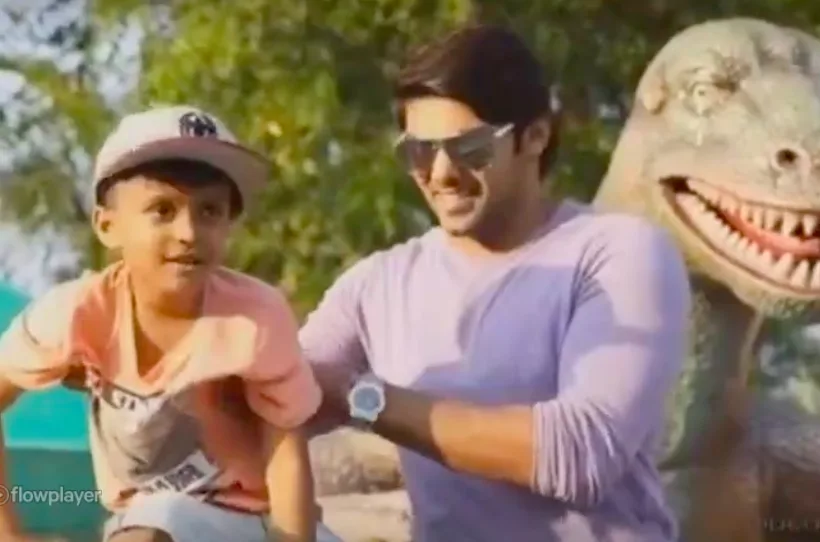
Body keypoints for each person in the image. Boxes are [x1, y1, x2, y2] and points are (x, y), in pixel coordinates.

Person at [301, 24, 690, 542]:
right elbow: (284, 390)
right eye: (418, 152)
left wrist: (363, 398)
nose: (441, 173)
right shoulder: (378, 284)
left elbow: (580, 455)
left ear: (536, 136)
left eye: (471, 147)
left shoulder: (620, 253)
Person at [0, 106, 340, 542]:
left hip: (257, 520)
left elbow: (287, 452)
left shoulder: (255, 316)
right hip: (154, 519)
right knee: (150, 527)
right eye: (162, 210)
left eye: (210, 211)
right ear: (108, 225)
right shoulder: (78, 313)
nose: (189, 233)